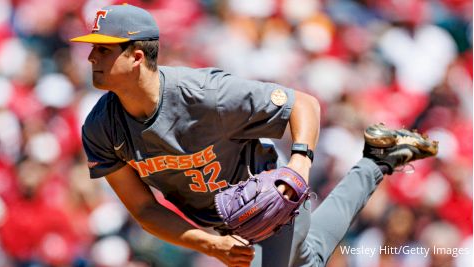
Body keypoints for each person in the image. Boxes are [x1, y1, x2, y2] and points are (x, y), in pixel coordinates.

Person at [71, 4, 438, 267]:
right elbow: (144, 208)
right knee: (309, 258)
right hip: (218, 222)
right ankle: (378, 160)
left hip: (270, 202)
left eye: (102, 49)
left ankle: (378, 161)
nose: (90, 57)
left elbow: (304, 105)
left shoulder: (206, 95)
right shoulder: (101, 127)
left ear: (136, 56)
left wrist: (297, 169)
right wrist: (211, 244)